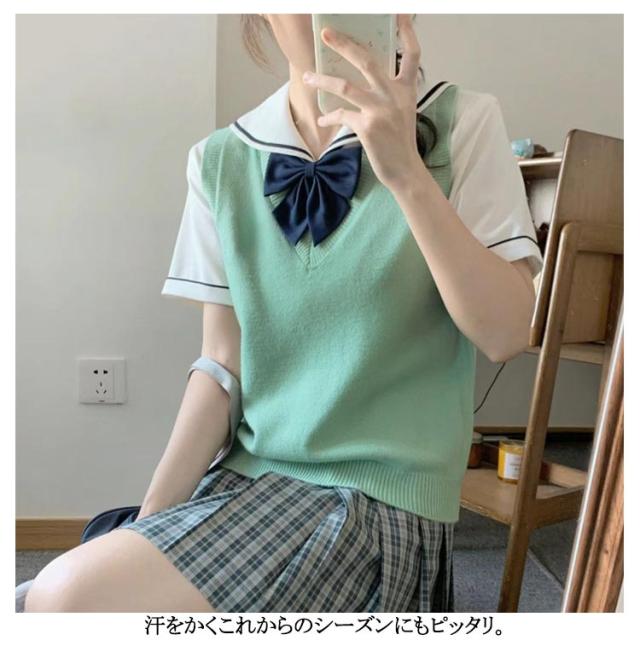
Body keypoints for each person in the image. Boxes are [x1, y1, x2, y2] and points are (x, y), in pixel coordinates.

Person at [24, 14, 543, 613]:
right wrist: (150, 524)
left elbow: (507, 333)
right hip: (245, 480)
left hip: (378, 503)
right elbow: (222, 366)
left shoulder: (462, 122)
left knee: (67, 599)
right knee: (47, 598)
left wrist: (406, 173)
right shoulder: (220, 159)